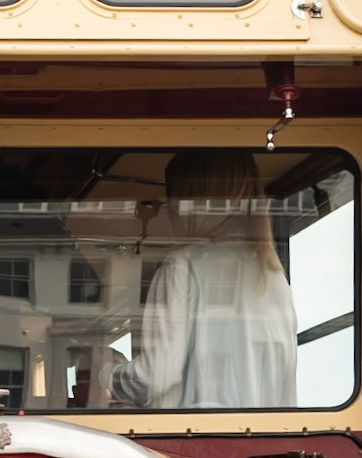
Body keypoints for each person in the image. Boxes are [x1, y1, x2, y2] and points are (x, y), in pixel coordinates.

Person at [103, 150, 298, 410]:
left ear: (190, 202)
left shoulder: (183, 266)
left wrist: (105, 372)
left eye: (173, 198)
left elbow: (155, 376)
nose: (169, 209)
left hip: (196, 434)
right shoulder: (276, 279)